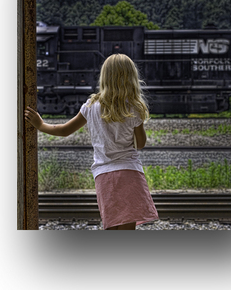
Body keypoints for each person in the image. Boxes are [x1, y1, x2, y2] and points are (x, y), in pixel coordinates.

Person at [25, 53, 159, 230]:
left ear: (104, 77)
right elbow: (140, 144)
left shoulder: (91, 105)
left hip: (104, 176)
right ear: (131, 78)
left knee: (111, 227)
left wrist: (40, 124)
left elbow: (64, 130)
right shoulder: (134, 107)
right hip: (129, 172)